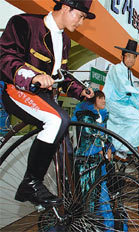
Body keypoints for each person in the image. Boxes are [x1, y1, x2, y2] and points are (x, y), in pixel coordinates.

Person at [0, 0, 95, 207]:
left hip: (46, 99)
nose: (80, 23)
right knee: (57, 120)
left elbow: (63, 76)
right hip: (18, 90)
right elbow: (6, 58)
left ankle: (70, 206)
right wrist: (33, 77)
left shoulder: (65, 41)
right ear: (66, 8)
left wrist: (82, 92)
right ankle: (31, 183)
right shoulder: (23, 24)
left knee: (66, 153)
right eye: (80, 16)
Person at [72, 90, 114, 230]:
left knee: (101, 196)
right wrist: (103, 146)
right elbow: (89, 132)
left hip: (99, 160)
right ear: (93, 99)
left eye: (104, 98)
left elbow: (106, 135)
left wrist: (109, 147)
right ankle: (88, 226)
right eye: (101, 98)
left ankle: (104, 226)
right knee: (89, 196)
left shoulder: (102, 116)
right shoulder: (85, 115)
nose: (103, 101)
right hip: (87, 160)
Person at [103, 39, 139, 152]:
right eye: (128, 56)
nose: (131, 59)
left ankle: (127, 149)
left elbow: (130, 94)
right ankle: (121, 149)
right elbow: (123, 87)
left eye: (133, 57)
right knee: (137, 121)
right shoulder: (116, 69)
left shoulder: (130, 73)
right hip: (113, 104)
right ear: (123, 57)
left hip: (123, 105)